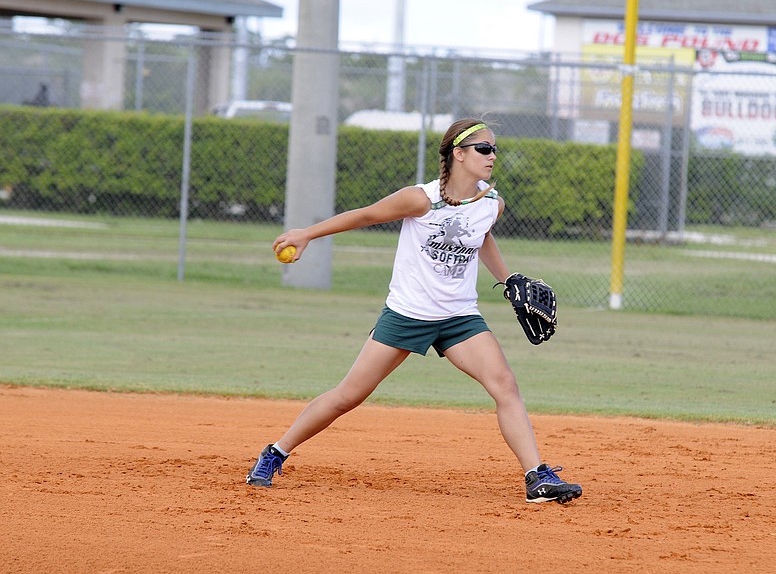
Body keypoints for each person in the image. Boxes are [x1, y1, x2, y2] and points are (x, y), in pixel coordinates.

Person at [246, 118, 582, 504]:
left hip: (459, 316)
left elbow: (481, 237)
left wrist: (508, 280)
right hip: (408, 314)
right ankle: (276, 452)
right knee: (349, 395)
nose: (492, 157)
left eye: (494, 150)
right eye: (483, 149)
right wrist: (307, 234)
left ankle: (535, 476)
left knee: (505, 384)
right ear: (458, 154)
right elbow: (366, 215)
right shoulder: (420, 199)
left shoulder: (492, 203)